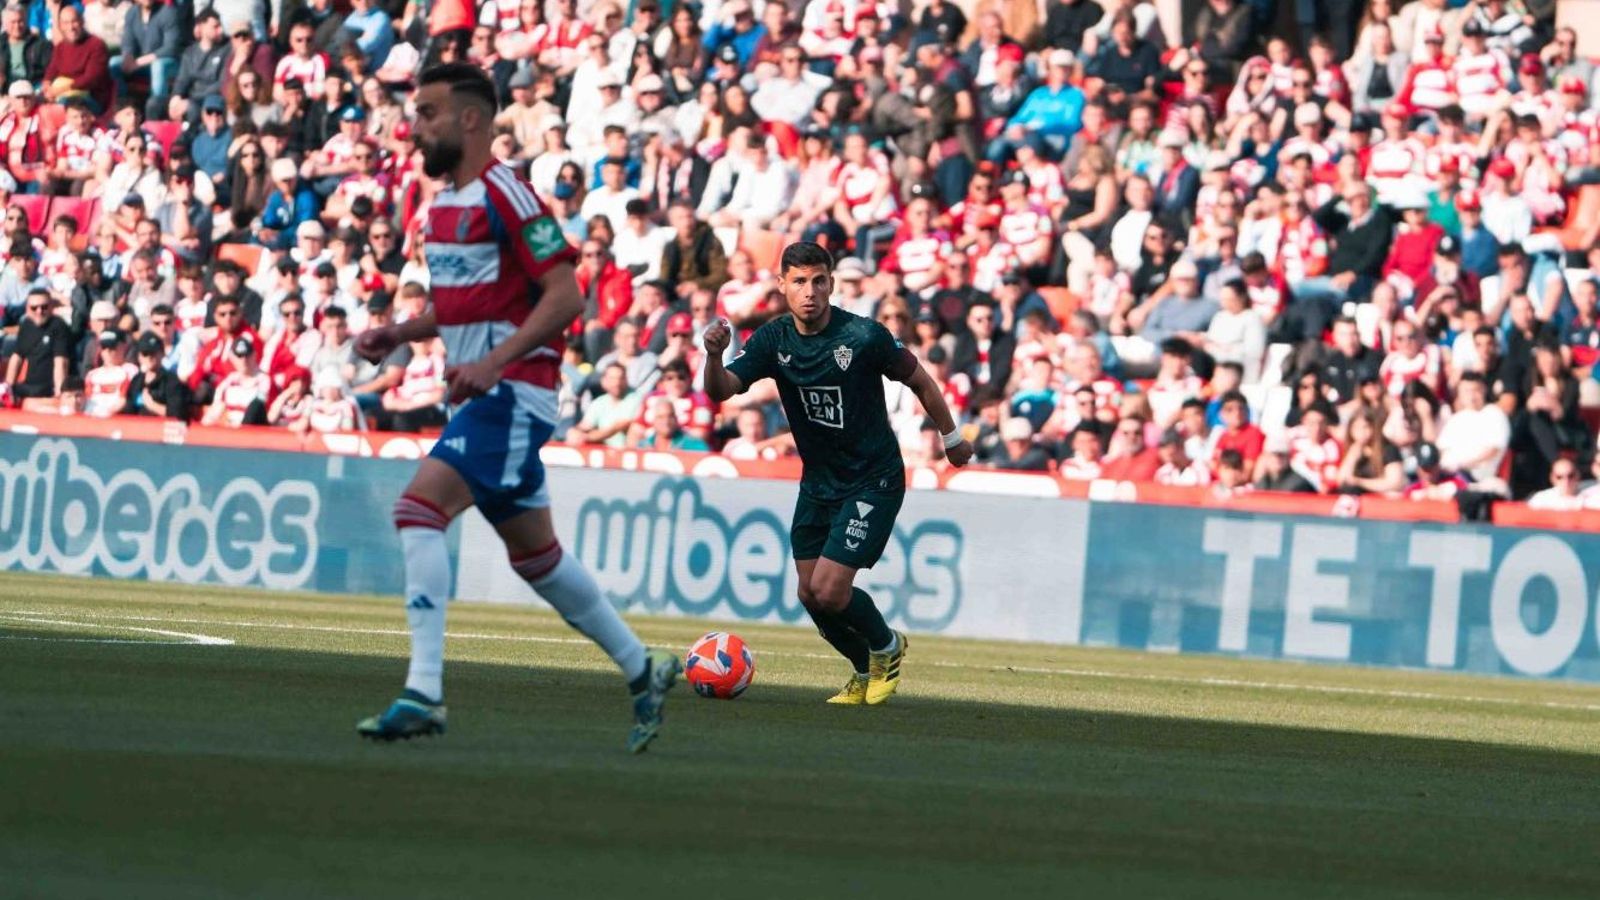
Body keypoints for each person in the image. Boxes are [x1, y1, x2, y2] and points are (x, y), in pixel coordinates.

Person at [349, 64, 678, 753]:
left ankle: (426, 691)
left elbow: (565, 297)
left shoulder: (509, 195)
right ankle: (644, 669)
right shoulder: (441, 206)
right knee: (538, 558)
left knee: (417, 511)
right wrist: (400, 332)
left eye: (431, 114)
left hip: (513, 391)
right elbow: (464, 305)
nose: (418, 128)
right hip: (484, 392)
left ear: (471, 121)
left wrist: (494, 363)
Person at [702, 241, 974, 705]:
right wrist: (713, 355)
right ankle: (862, 670)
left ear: (832, 283)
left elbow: (921, 380)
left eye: (819, 281)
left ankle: (887, 647)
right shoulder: (773, 340)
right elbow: (723, 390)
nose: (810, 291)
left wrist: (951, 439)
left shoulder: (864, 336)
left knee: (830, 588)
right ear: (783, 285)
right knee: (810, 594)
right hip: (819, 482)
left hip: (874, 478)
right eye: (800, 282)